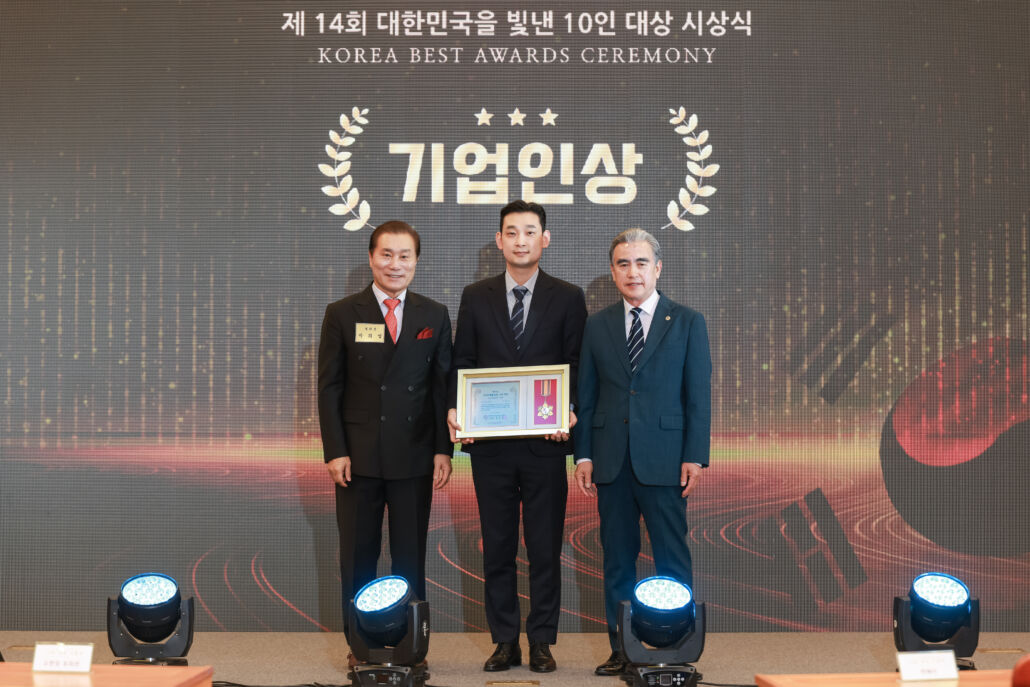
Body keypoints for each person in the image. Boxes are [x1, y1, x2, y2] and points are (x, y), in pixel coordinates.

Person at [447, 200, 587, 673]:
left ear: (545, 239)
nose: (521, 240)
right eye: (512, 232)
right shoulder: (475, 296)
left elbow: (576, 365)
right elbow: (463, 362)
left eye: (530, 231)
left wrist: (568, 410)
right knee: (498, 547)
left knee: (545, 549)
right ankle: (504, 640)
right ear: (499, 240)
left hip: (546, 445)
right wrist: (460, 411)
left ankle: (542, 640)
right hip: (490, 448)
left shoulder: (568, 297)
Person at [573, 228, 711, 676]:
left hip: (667, 461)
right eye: (623, 264)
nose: (632, 272)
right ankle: (623, 647)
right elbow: (587, 396)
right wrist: (583, 455)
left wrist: (695, 455)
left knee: (672, 558)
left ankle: (675, 644)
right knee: (617, 559)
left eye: (641, 262)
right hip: (611, 462)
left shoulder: (687, 321)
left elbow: (698, 396)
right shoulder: (597, 325)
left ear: (658, 267)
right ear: (613, 271)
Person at [317, 221, 453, 660]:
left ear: (416, 261)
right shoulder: (342, 313)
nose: (396, 265)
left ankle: (410, 643)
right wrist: (335, 450)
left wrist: (443, 449)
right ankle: (360, 645)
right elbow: (329, 388)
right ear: (371, 257)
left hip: (414, 454)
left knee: (410, 557)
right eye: (387, 255)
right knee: (358, 557)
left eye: (405, 256)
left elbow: (441, 389)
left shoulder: (434, 314)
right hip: (357, 458)